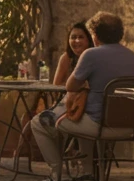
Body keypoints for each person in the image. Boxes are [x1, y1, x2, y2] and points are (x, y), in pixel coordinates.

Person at [30, 11, 134, 181]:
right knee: (82, 117)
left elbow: (70, 86)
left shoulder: (91, 55)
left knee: (38, 122)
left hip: (98, 125)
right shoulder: (132, 56)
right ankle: (87, 174)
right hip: (126, 126)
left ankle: (57, 174)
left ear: (94, 35)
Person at [12, 22, 93, 163]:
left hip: (89, 105)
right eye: (73, 37)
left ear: (89, 40)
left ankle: (64, 163)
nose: (77, 41)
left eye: (81, 37)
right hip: (69, 102)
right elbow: (56, 85)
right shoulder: (67, 58)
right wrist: (73, 87)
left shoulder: (93, 57)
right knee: (37, 120)